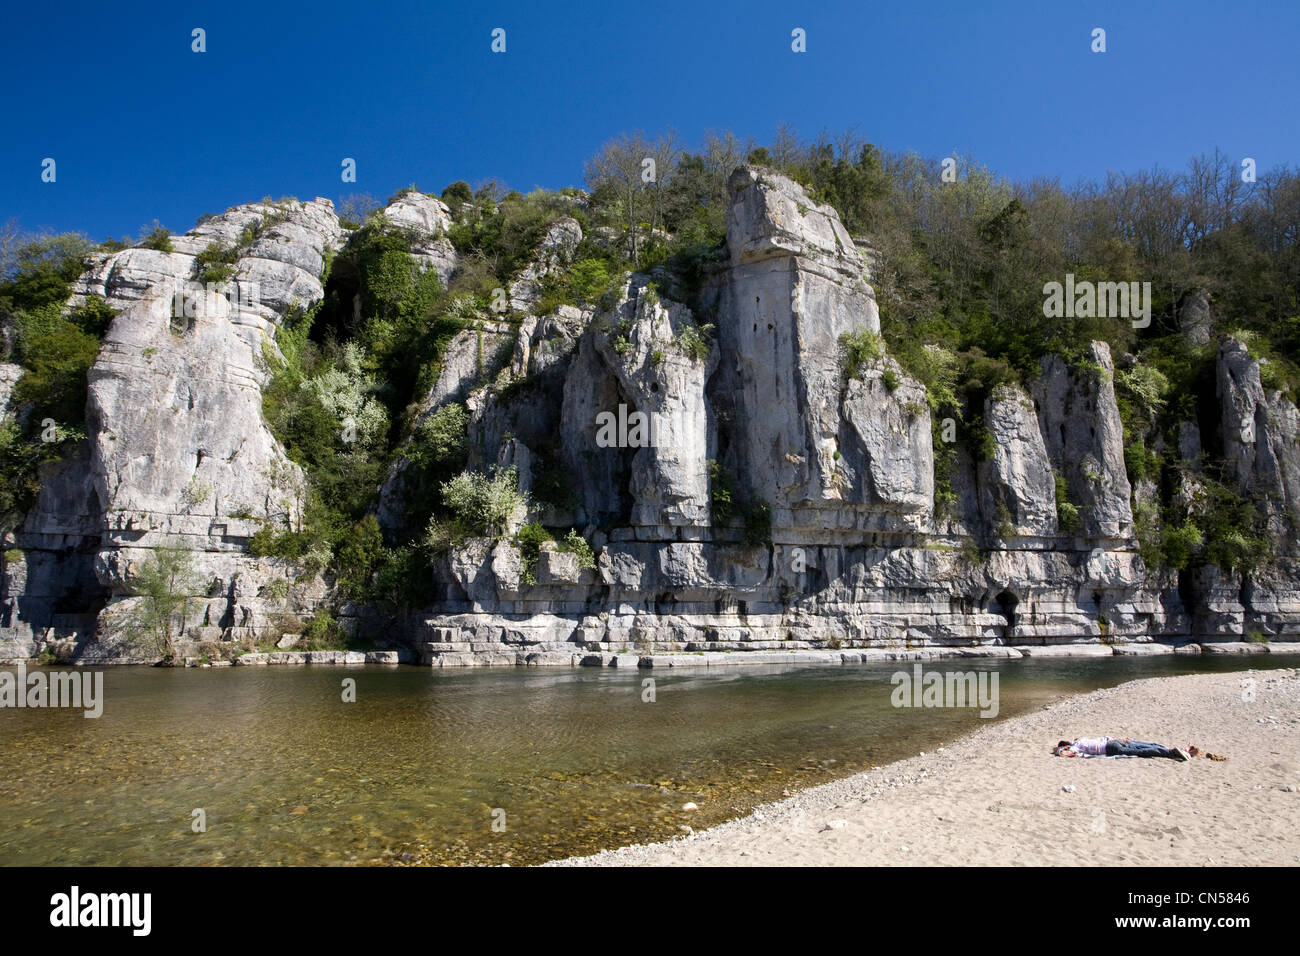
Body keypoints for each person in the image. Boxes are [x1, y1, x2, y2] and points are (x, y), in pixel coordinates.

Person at [1053, 736, 1190, 761]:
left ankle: (1170, 752)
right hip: (1113, 741)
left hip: (1110, 748)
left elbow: (1063, 753)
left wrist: (1058, 750)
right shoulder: (1081, 739)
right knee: (1142, 745)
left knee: (1141, 752)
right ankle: (1169, 749)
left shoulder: (1076, 747)